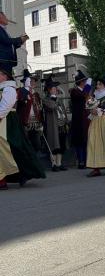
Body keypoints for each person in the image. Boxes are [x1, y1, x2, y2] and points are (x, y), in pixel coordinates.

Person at [0, 61, 45, 189]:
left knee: (12, 148)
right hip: (4, 121)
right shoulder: (3, 88)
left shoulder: (9, 89)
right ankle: (11, 176)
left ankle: (20, 174)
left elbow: (6, 106)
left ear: (5, 76)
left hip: (8, 122)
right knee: (9, 149)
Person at [43, 77, 68, 172]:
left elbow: (63, 111)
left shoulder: (58, 99)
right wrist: (53, 98)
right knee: (54, 145)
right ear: (49, 90)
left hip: (61, 125)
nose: (56, 90)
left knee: (61, 145)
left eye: (56, 88)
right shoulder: (46, 100)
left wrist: (66, 121)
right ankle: (54, 164)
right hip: (53, 126)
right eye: (54, 88)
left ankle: (59, 163)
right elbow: (52, 106)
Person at [17, 69, 43, 152]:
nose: (34, 82)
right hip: (25, 122)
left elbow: (39, 108)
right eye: (32, 81)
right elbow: (19, 103)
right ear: (27, 81)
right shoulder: (21, 91)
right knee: (26, 143)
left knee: (37, 144)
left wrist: (41, 121)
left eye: (34, 81)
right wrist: (26, 98)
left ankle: (35, 160)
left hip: (35, 122)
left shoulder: (36, 93)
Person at [70, 70, 92, 169]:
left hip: (85, 119)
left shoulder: (84, 92)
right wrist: (88, 87)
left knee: (86, 140)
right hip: (78, 121)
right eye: (85, 82)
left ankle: (87, 160)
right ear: (82, 82)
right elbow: (83, 96)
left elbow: (88, 100)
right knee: (79, 141)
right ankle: (81, 161)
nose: (86, 83)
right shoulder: (74, 91)